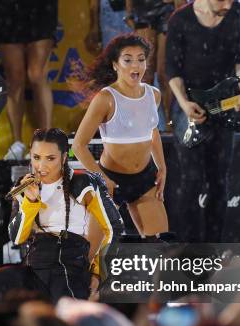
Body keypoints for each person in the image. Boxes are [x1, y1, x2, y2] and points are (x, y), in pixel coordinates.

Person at [166, 0, 240, 242]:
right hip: (188, 106)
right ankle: (188, 247)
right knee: (192, 178)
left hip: (225, 107)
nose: (227, 4)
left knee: (219, 180)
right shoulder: (180, 19)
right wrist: (184, 104)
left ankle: (213, 249)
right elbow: (172, 71)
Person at [8, 128, 122, 303]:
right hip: (36, 265)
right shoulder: (24, 186)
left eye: (50, 158)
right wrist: (30, 202)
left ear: (63, 157)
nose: (41, 166)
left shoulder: (83, 183)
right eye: (36, 157)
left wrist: (99, 273)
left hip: (71, 266)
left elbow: (114, 227)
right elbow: (16, 238)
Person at [72, 34, 169, 239]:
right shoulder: (106, 98)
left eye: (141, 59)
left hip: (145, 178)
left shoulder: (154, 95)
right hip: (110, 179)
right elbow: (79, 146)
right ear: (116, 64)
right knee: (93, 252)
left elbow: (152, 131)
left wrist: (162, 166)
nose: (136, 65)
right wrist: (101, 178)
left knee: (159, 247)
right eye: (128, 60)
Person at [0, 0, 58, 160]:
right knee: (14, 78)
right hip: (7, 8)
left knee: (37, 75)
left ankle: (46, 141)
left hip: (40, 8)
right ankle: (17, 142)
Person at [125, 0, 186, 130]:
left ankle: (170, 124)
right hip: (144, 7)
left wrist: (180, 7)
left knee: (164, 72)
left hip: (167, 9)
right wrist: (129, 11)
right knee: (146, 73)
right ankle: (145, 126)